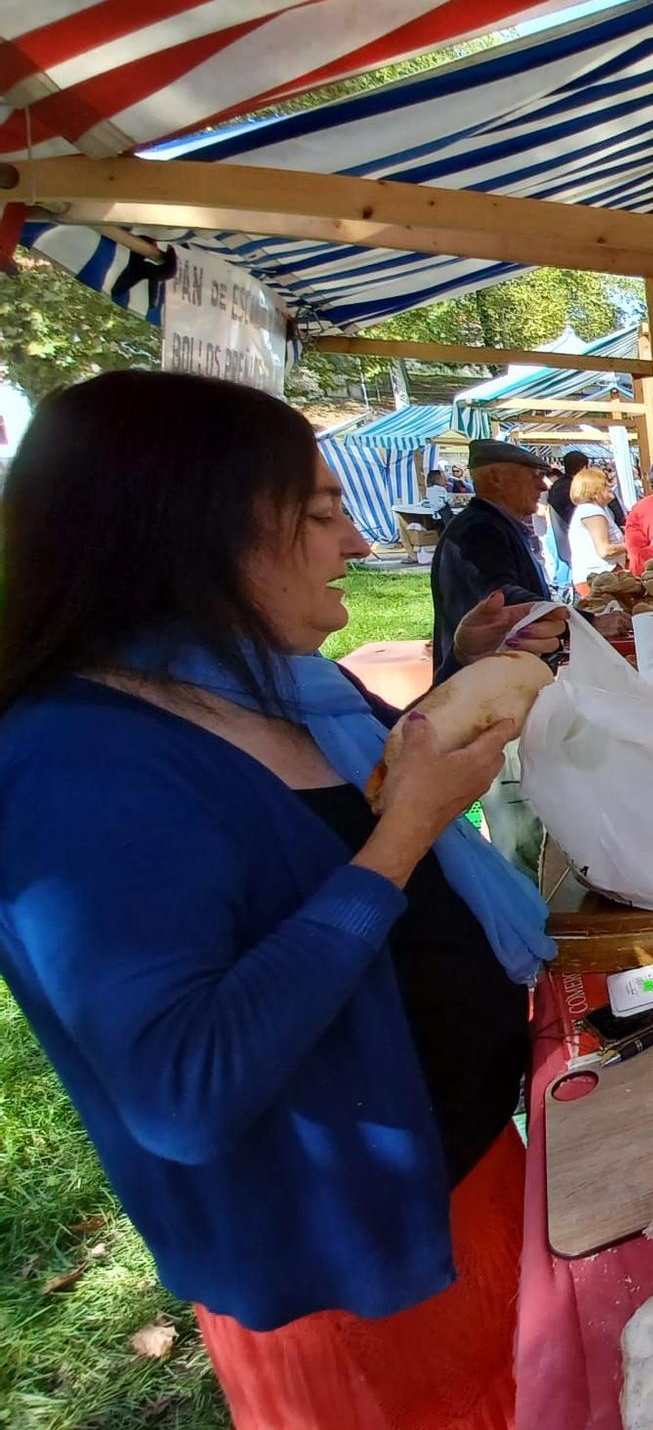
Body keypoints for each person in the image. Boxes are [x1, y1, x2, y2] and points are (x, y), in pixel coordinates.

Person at [0, 370, 569, 1429]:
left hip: (459, 1175)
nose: (356, 541)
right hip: (350, 1267)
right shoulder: (77, 766)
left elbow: (359, 799)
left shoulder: (272, 685)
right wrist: (400, 843)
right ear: (189, 531)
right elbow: (184, 1087)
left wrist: (462, 676)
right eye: (317, 514)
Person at [432, 439, 560, 681]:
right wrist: (579, 619)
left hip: (494, 673)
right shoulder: (478, 529)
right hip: (478, 680)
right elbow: (500, 596)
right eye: (534, 476)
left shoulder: (495, 524)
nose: (543, 486)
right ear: (496, 477)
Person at [564, 466, 625, 594]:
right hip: (599, 578)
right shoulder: (591, 511)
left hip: (601, 576)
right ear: (594, 491)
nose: (610, 485)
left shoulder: (596, 509)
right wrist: (632, 546)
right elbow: (605, 550)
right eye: (605, 484)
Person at [544, 449, 589, 571]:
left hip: (564, 542)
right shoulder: (570, 487)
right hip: (572, 545)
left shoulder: (559, 485)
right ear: (584, 467)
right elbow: (575, 517)